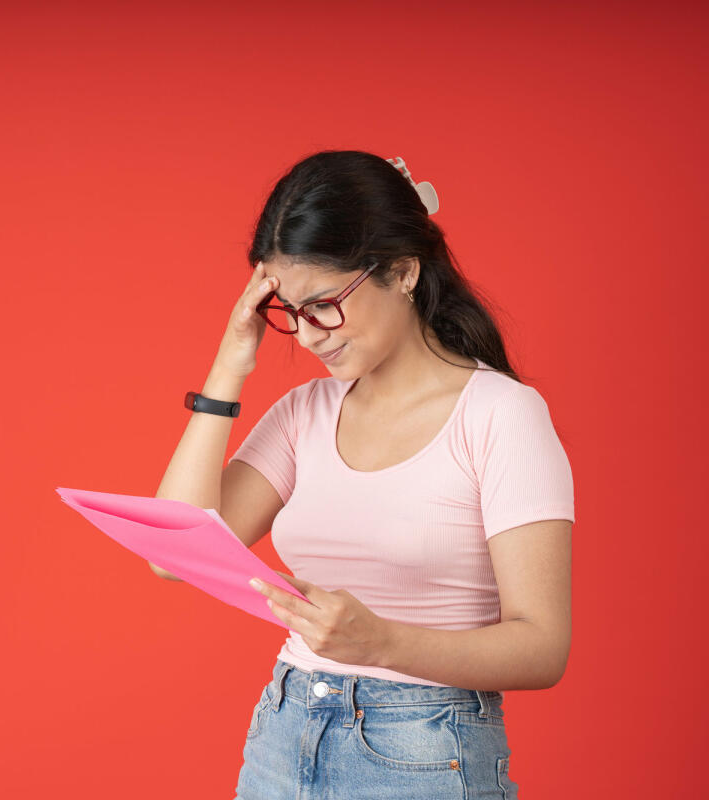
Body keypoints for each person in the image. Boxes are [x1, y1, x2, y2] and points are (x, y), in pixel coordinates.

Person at [149, 150, 573, 799]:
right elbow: (171, 555)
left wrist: (380, 643)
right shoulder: (302, 415)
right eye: (288, 311)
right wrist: (231, 362)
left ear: (402, 271)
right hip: (284, 735)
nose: (309, 335)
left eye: (324, 303)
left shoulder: (500, 417)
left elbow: (542, 648)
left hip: (425, 751)